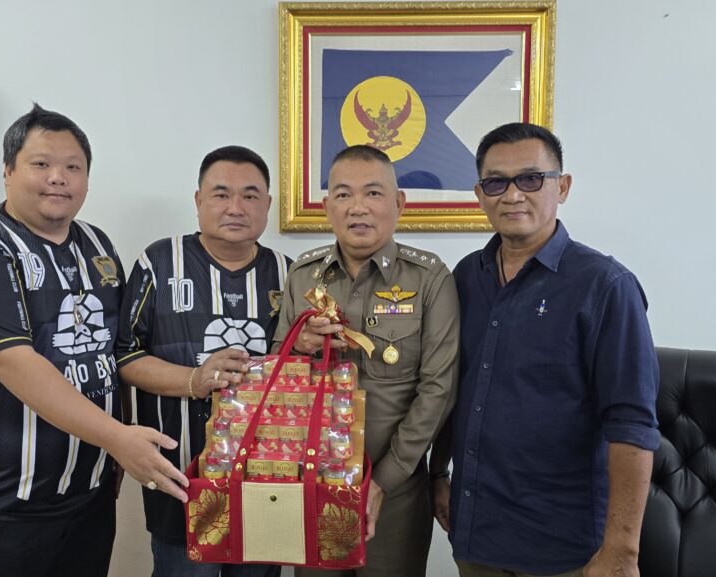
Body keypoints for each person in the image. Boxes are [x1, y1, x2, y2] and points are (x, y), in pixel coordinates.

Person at [0, 103, 187, 577]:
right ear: (8, 171)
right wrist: (118, 439)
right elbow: (12, 363)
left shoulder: (97, 246)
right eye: (41, 164)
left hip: (87, 495)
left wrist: (114, 451)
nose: (58, 178)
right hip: (1, 503)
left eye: (73, 167)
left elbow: (112, 353)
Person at [430, 122, 660, 577]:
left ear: (563, 187)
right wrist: (438, 472)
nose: (513, 195)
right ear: (479, 194)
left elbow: (632, 423)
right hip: (477, 534)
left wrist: (622, 551)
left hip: (565, 547)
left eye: (531, 179)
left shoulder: (605, 286)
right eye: (496, 183)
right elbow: (452, 386)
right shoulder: (465, 277)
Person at [273, 145, 460, 577]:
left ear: (399, 203)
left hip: (396, 489)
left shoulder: (429, 278)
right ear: (327, 207)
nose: (357, 207)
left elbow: (439, 389)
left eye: (373, 193)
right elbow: (278, 376)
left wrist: (385, 479)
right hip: (312, 482)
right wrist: (300, 346)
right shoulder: (303, 275)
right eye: (343, 194)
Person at [116, 145, 289, 577]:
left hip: (269, 478)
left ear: (268, 204)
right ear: (198, 200)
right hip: (181, 477)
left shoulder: (290, 274)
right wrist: (195, 378)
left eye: (250, 195)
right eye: (221, 194)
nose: (235, 207)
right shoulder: (159, 262)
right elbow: (124, 355)